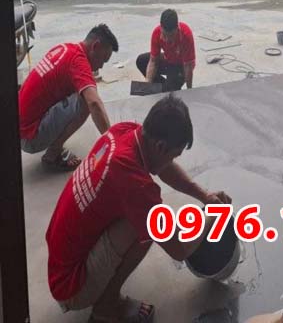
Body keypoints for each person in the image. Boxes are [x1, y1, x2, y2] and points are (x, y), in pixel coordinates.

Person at [46, 94, 232, 322]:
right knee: (149, 226)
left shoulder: (125, 132)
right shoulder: (135, 184)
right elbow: (178, 247)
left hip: (61, 260)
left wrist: (204, 196)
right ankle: (106, 306)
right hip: (72, 285)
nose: (171, 161)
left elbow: (165, 168)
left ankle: (104, 286)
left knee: (143, 216)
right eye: (173, 155)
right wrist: (213, 216)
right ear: (160, 146)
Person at [19, 24, 118, 171]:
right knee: (85, 101)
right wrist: (113, 142)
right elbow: (94, 103)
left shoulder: (65, 48)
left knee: (84, 89)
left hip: (21, 127)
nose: (102, 66)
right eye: (104, 59)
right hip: (30, 137)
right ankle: (52, 155)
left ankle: (53, 143)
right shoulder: (78, 62)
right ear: (95, 46)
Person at [136, 9, 196, 92]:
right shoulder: (156, 32)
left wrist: (190, 90)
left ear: (177, 28)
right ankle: (165, 88)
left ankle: (167, 88)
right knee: (141, 60)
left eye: (171, 36)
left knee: (170, 89)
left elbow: (188, 66)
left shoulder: (186, 34)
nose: (167, 39)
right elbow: (153, 61)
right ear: (161, 27)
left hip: (181, 66)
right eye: (164, 35)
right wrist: (147, 84)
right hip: (168, 59)